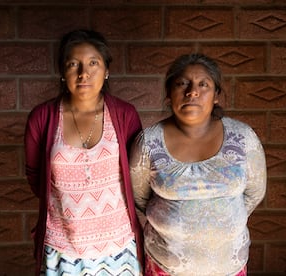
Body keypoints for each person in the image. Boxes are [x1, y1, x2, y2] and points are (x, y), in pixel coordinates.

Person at [129, 53, 267, 276]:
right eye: (182, 83)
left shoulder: (243, 138)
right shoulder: (148, 143)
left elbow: (255, 192)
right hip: (166, 267)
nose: (192, 91)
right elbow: (140, 197)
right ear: (168, 93)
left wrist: (223, 222)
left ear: (216, 96)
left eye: (203, 84)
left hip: (228, 267)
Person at [24, 29, 143, 276]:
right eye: (73, 64)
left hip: (118, 247)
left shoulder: (125, 115)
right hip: (62, 250)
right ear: (62, 72)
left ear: (106, 70)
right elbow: (36, 177)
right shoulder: (42, 118)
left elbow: (137, 175)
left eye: (93, 63)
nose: (83, 73)